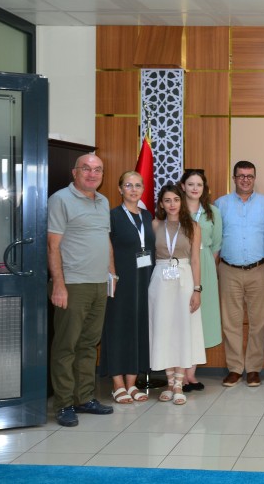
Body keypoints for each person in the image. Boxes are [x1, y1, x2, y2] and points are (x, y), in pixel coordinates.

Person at [48, 154, 115, 427]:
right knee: (66, 346)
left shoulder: (103, 201)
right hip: (73, 285)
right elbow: (52, 246)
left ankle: (84, 398)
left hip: (99, 284)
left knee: (88, 344)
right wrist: (59, 285)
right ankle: (64, 403)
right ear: (75, 172)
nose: (92, 173)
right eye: (86, 169)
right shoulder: (60, 199)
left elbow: (105, 240)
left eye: (97, 169)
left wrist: (111, 274)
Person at [215, 160, 264, 388]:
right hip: (228, 270)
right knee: (231, 322)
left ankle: (254, 368)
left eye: (249, 176)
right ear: (234, 178)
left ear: (254, 178)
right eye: (241, 176)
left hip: (259, 270)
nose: (245, 180)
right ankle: (234, 368)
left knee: (258, 322)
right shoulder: (220, 204)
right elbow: (216, 239)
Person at [100, 171, 154, 404]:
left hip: (144, 280)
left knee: (138, 328)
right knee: (117, 329)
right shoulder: (112, 216)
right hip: (120, 281)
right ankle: (117, 384)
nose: (134, 189)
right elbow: (106, 247)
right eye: (129, 185)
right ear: (120, 189)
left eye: (138, 185)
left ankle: (132, 383)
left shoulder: (147, 215)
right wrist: (112, 274)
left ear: (143, 189)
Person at [148, 184, 205, 405]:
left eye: (176, 199)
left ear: (182, 202)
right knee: (163, 329)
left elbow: (196, 260)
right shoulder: (155, 225)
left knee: (183, 329)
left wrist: (197, 289)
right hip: (161, 278)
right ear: (161, 204)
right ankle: (169, 382)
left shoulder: (193, 226)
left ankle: (180, 383)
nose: (172, 204)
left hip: (184, 278)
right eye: (167, 200)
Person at [179, 169, 222, 392]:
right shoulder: (176, 208)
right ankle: (180, 374)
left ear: (204, 189)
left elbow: (216, 245)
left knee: (201, 319)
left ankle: (191, 374)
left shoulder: (212, 212)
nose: (195, 188)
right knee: (182, 317)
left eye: (199, 185)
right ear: (183, 186)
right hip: (181, 265)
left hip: (205, 266)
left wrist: (206, 267)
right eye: (191, 184)